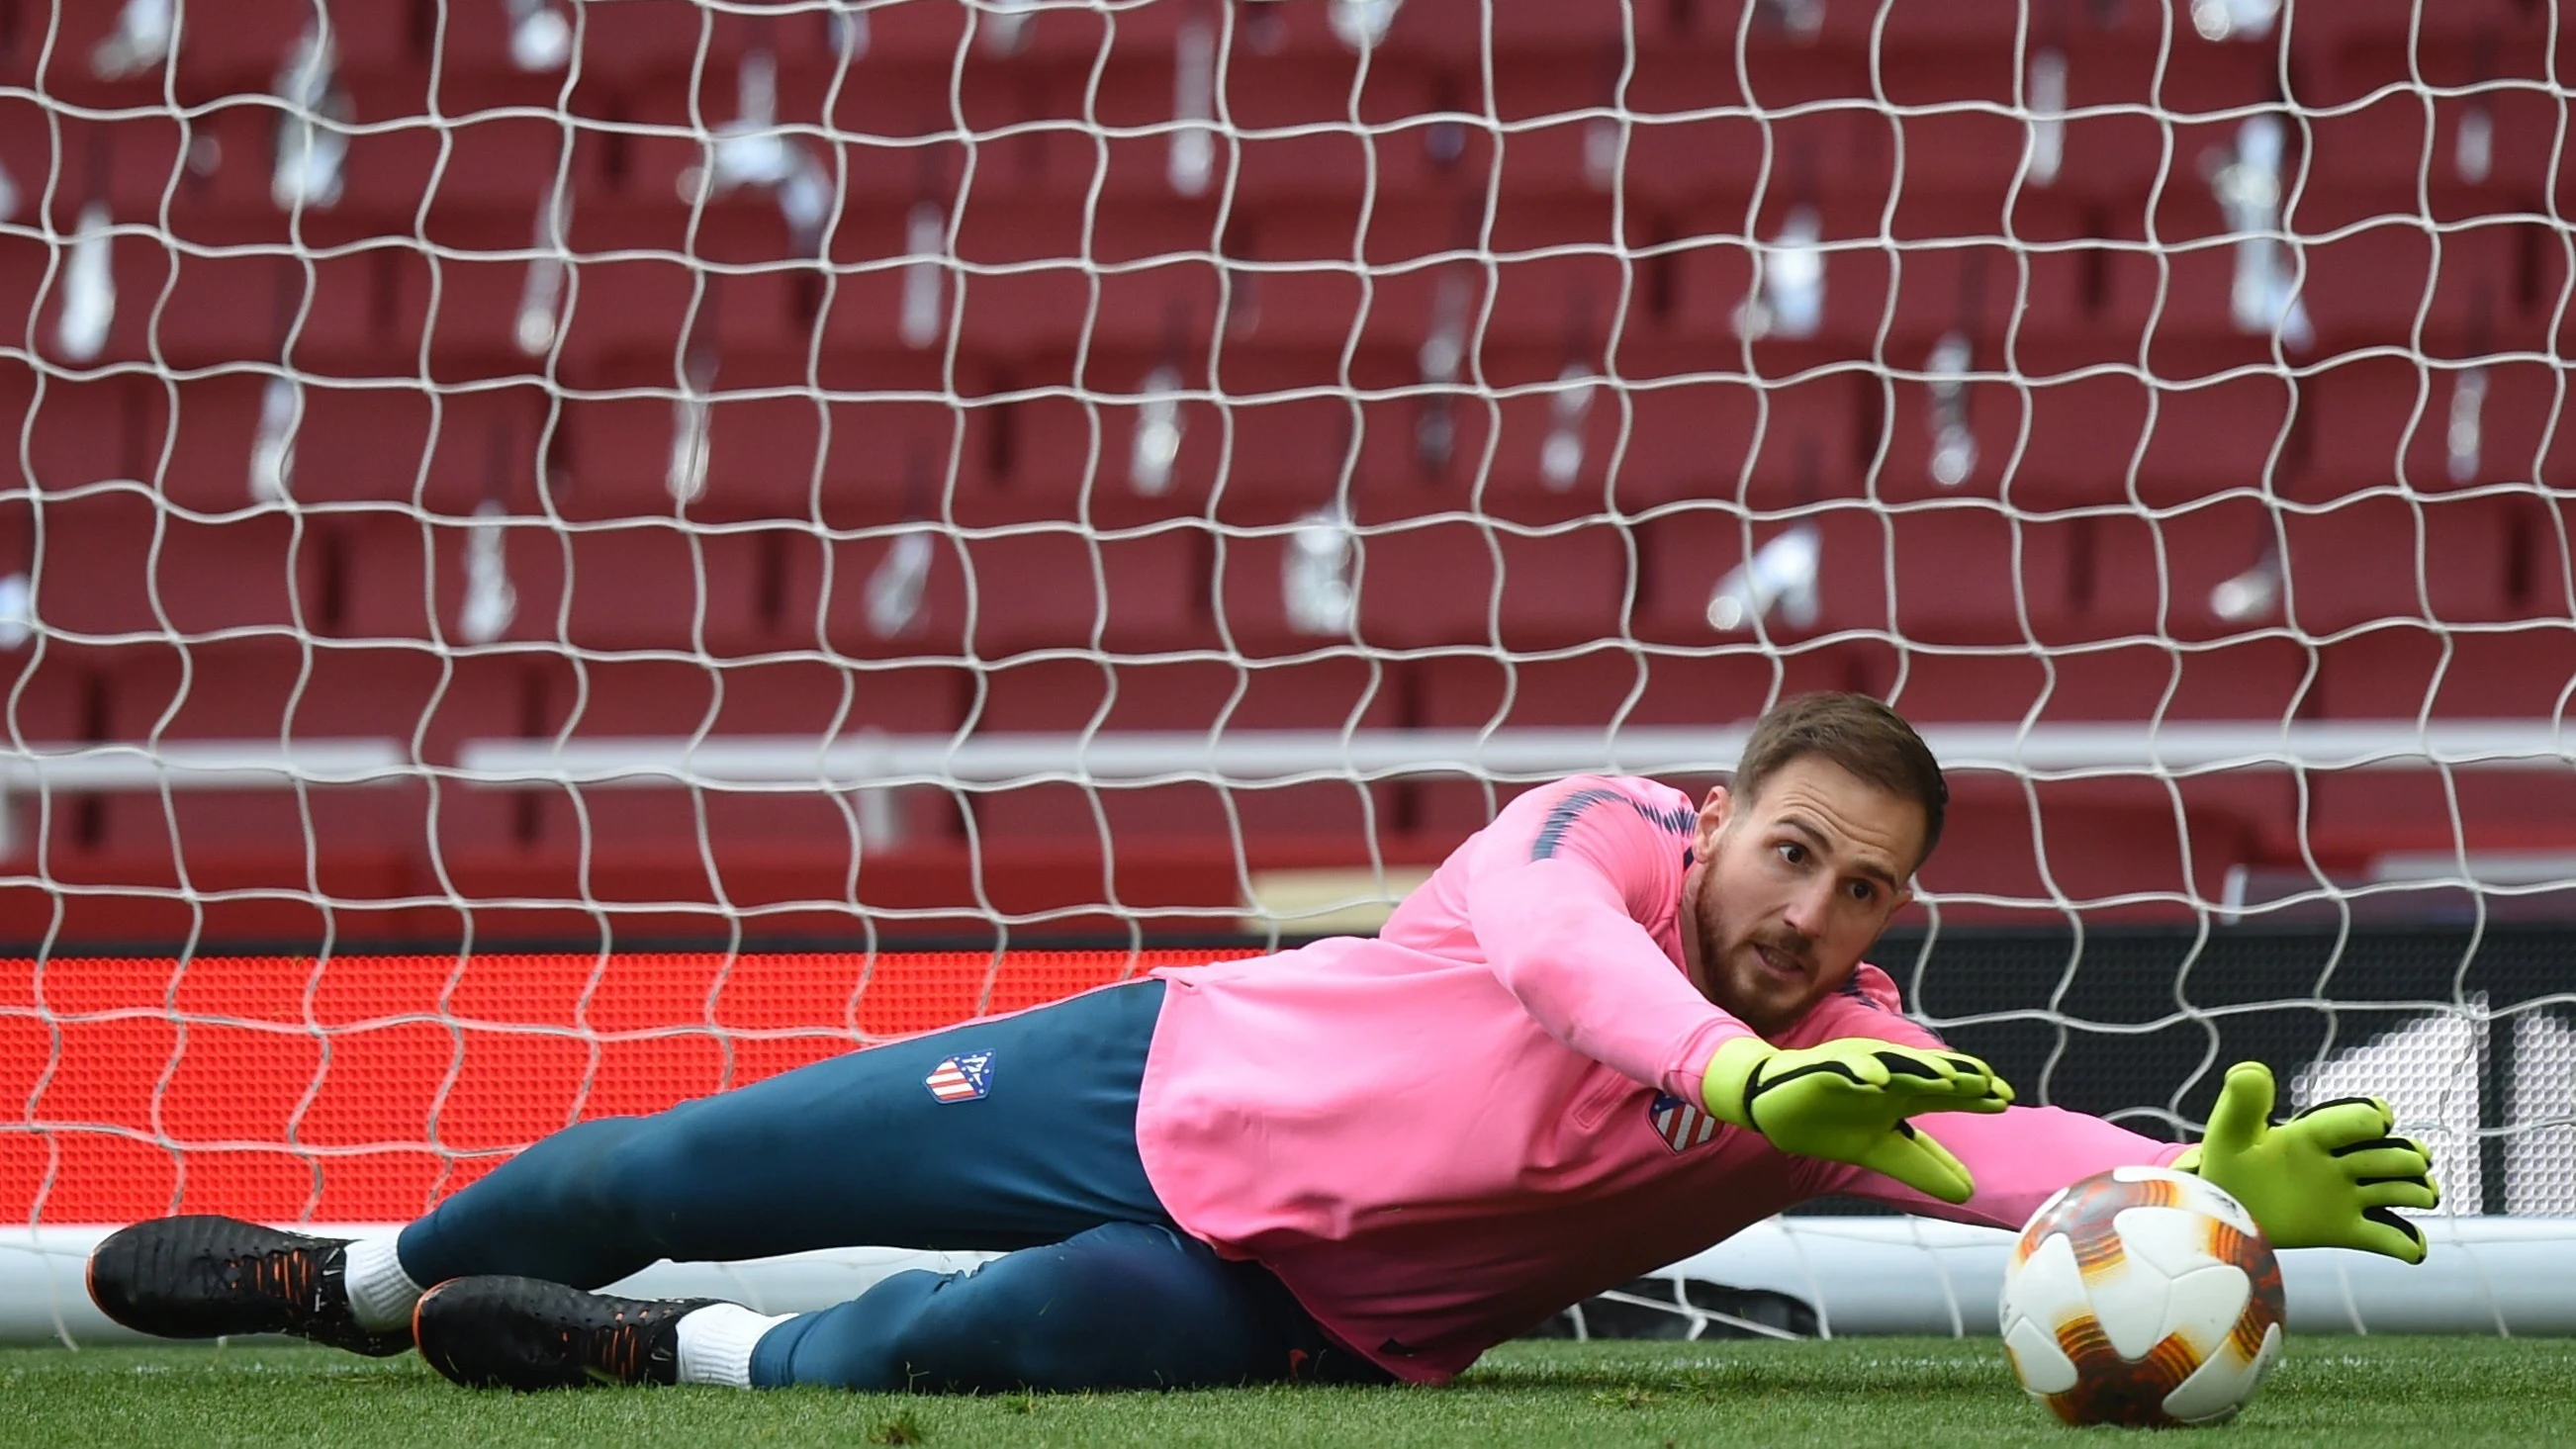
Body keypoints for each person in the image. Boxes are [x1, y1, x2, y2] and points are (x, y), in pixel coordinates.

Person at [86, 692, 2439, 1394]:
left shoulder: (1855, 1064)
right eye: (1790, 855)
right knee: (658, 1167)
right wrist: (1740, 1085)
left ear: (1897, 917)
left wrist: (2213, 1188)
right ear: (1719, 820)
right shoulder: (1592, 845)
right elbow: (1565, 979)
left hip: (1298, 1306)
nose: (1806, 915)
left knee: (935, 1358)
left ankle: (664, 1366)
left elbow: (2022, 1151)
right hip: (1156, 1073)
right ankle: (365, 1279)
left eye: (1861, 894)